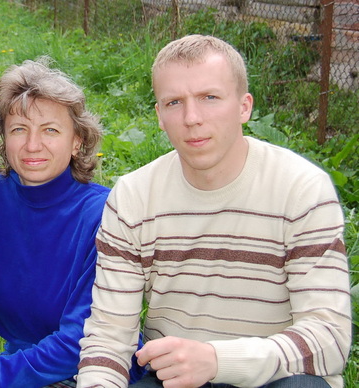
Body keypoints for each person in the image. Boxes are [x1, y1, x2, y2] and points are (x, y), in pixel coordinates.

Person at [76, 34, 352, 388]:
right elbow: (109, 337)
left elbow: (330, 339)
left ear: (244, 107)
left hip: (278, 378)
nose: (192, 118)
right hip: (179, 379)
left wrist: (218, 361)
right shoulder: (134, 196)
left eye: (210, 97)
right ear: (159, 116)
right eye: (174, 102)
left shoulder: (301, 188)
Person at [0, 59, 142, 388]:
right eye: (19, 129)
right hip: (22, 368)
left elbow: (84, 340)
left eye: (50, 130)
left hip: (98, 372)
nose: (32, 145)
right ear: (3, 138)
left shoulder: (105, 215)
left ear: (77, 141)